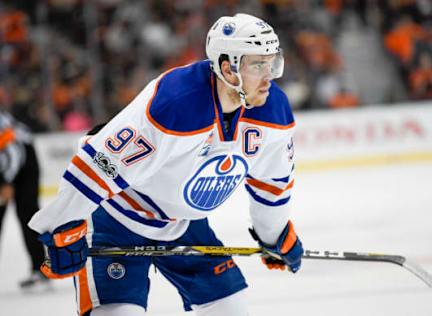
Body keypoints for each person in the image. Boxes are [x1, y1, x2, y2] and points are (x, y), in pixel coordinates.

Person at [28, 13, 303, 316]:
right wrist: (63, 225)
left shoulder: (273, 111)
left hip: (183, 226)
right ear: (228, 68)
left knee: (231, 309)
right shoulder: (177, 102)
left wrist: (274, 235)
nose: (270, 76)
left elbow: (273, 184)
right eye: (258, 65)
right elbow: (101, 164)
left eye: (272, 62)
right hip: (116, 219)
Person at [0, 110, 48, 290]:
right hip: (7, 168)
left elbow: (13, 153)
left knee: (29, 218)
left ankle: (40, 270)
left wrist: (6, 182)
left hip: (24, 165)